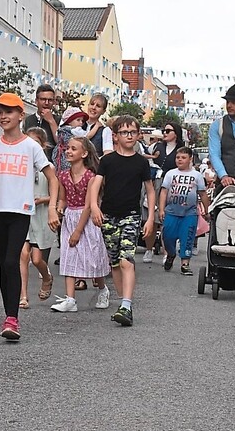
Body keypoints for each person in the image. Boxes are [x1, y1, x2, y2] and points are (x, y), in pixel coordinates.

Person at [0, 93, 59, 340]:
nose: (3, 116)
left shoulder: (31, 146)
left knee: (10, 261)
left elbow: (53, 177)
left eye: (9, 111)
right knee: (5, 265)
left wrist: (53, 207)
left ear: (20, 115)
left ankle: (12, 319)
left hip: (20, 211)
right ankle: (9, 315)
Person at [89, 115, 155, 327]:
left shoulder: (141, 162)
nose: (129, 136)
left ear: (138, 135)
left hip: (131, 216)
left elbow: (150, 190)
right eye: (124, 132)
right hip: (108, 215)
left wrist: (150, 218)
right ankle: (122, 303)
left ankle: (126, 304)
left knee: (127, 259)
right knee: (115, 262)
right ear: (115, 136)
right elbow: (96, 185)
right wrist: (94, 207)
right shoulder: (107, 161)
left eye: (133, 132)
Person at [52, 136, 110, 312]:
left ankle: (102, 289)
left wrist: (78, 231)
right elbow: (63, 198)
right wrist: (59, 210)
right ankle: (70, 299)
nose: (69, 151)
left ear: (84, 153)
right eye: (68, 148)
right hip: (70, 216)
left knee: (92, 259)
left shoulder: (91, 176)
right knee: (69, 257)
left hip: (87, 220)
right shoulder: (63, 175)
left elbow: (87, 206)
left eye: (74, 149)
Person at [18, 127, 57, 308]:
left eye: (36, 143)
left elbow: (56, 195)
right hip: (23, 215)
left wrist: (43, 200)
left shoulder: (48, 168)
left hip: (40, 216)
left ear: (43, 145)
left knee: (36, 259)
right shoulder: (21, 165)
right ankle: (23, 296)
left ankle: (47, 277)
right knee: (23, 255)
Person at [159, 147, 210, 275]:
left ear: (190, 159)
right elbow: (164, 192)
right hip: (171, 212)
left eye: (183, 157)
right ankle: (171, 254)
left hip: (189, 213)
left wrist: (207, 210)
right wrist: (161, 209)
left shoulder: (197, 176)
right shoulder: (170, 174)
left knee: (187, 238)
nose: (180, 160)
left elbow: (203, 194)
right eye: (178, 157)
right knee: (168, 237)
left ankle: (185, 264)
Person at [142, 122, 186, 263]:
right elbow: (146, 160)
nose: (165, 133)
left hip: (174, 185)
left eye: (168, 130)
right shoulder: (156, 147)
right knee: (152, 217)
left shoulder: (181, 149)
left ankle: (168, 251)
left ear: (176, 134)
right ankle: (149, 249)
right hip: (156, 183)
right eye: (164, 130)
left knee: (168, 219)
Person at [23, 84, 60, 156]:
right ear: (36, 101)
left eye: (50, 100)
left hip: (51, 162)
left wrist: (51, 121)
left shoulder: (58, 119)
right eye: (43, 99)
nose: (46, 103)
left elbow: (60, 142)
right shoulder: (29, 120)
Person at [51, 107, 88, 173]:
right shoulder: (73, 130)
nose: (81, 123)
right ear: (69, 121)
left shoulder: (62, 130)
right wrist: (96, 127)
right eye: (78, 120)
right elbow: (86, 136)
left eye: (82, 121)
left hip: (59, 155)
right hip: (66, 156)